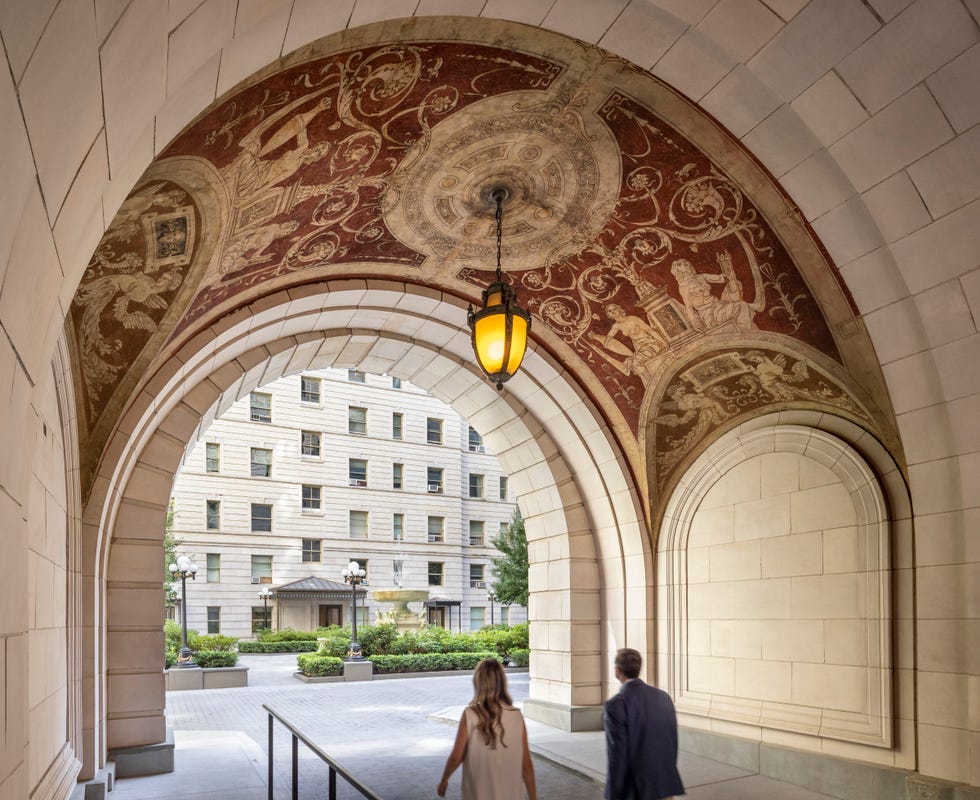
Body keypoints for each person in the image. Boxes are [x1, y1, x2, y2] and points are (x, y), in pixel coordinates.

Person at [437, 657, 537, 799]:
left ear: (479, 682)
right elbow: (526, 765)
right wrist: (533, 797)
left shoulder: (470, 715)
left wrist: (444, 780)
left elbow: (456, 757)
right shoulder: (516, 717)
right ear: (502, 683)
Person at [604, 648, 685, 800]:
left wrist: (613, 793)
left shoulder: (616, 704)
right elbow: (672, 741)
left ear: (617, 670)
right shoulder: (663, 697)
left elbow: (617, 755)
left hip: (636, 789)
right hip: (665, 784)